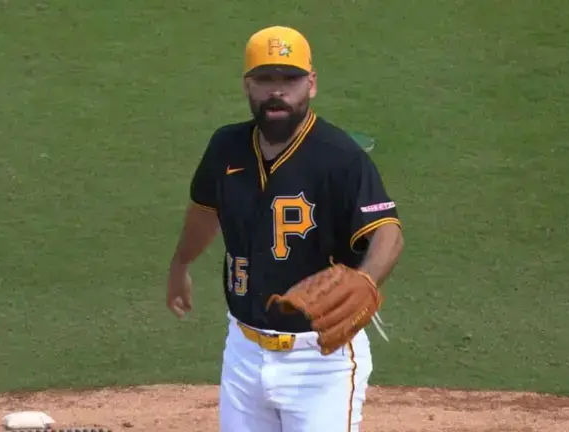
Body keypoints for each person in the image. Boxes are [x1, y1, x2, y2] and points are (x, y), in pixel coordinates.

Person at [165, 25, 404, 432]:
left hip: (320, 361)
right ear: (247, 85)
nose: (277, 92)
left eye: (289, 79)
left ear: (310, 85)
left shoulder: (340, 157)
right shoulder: (226, 147)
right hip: (243, 350)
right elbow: (205, 209)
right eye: (265, 79)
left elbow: (388, 232)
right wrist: (180, 264)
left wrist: (366, 278)